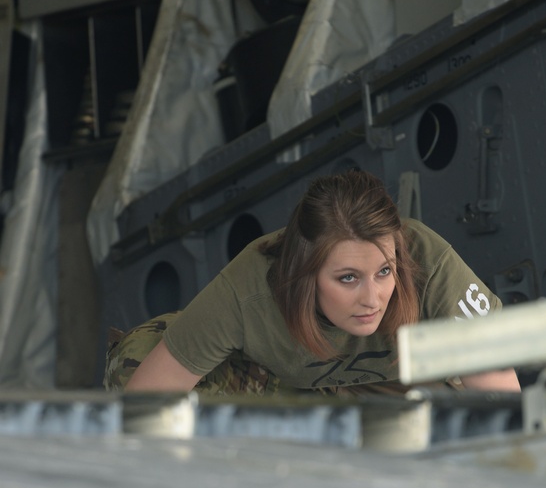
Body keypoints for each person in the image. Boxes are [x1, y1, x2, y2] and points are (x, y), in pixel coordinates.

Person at [108, 170, 520, 396]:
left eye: (383, 272)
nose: (372, 298)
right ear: (305, 274)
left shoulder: (429, 264)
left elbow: (501, 397)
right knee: (137, 355)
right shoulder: (249, 289)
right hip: (281, 388)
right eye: (347, 278)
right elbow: (144, 403)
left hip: (396, 395)